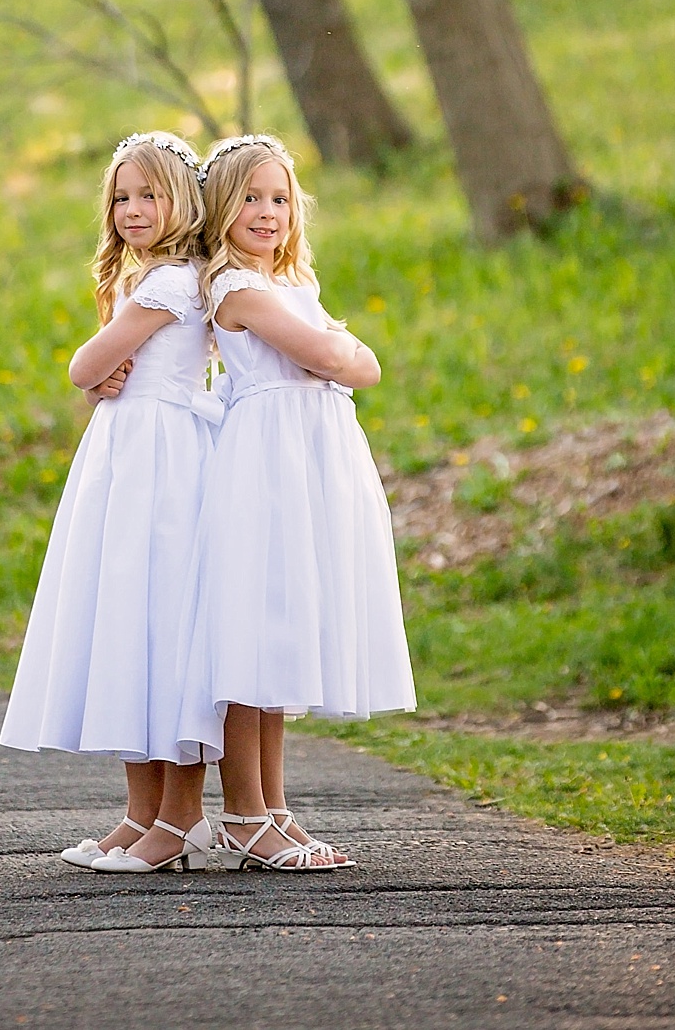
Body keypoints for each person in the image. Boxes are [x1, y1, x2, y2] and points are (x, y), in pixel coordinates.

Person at [176, 133, 415, 871]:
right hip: (265, 462)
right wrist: (338, 349)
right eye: (250, 197)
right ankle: (244, 812)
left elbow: (365, 367)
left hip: (308, 456)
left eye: (280, 198)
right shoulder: (236, 290)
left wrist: (341, 352)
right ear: (221, 208)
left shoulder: (293, 285)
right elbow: (333, 357)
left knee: (278, 636)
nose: (268, 211)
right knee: (252, 635)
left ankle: (275, 810)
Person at [0, 130, 218, 873]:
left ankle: (183, 818)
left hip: (163, 460)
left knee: (164, 626)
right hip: (126, 455)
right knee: (127, 625)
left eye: (148, 193)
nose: (131, 208)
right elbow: (105, 369)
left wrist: (93, 371)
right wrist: (103, 376)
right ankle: (141, 811)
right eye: (121, 196)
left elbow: (85, 362)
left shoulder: (174, 282)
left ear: (182, 200)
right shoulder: (144, 280)